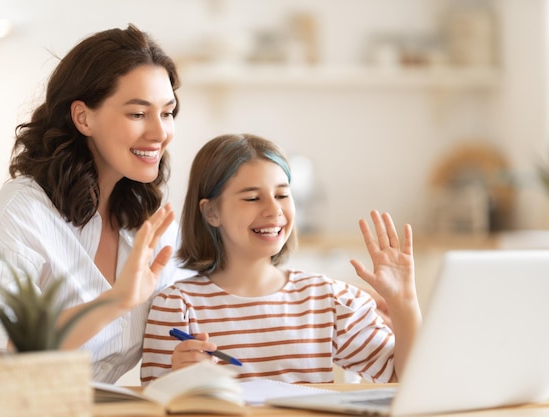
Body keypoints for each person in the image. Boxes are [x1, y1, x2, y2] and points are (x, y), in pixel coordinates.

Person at [0, 23, 193, 383]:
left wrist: (187, 355)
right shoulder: (20, 216)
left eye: (167, 112)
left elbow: (171, 336)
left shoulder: (147, 222)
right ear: (83, 117)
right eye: (138, 114)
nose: (160, 132)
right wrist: (113, 301)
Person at [141, 133, 422, 385]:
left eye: (282, 195)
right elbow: (153, 403)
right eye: (252, 198)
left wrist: (404, 301)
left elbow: (405, 378)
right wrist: (181, 378)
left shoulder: (330, 300)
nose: (274, 210)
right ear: (212, 212)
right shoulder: (177, 306)